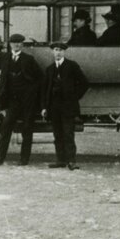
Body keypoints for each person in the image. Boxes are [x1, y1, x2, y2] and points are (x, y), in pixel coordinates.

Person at [0, 33, 44, 166]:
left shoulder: (29, 59)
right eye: (14, 43)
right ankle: (0, 158)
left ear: (22, 44)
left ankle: (24, 160)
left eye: (19, 43)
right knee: (6, 127)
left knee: (27, 129)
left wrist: (33, 92)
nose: (17, 45)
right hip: (12, 100)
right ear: (10, 44)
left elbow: (40, 77)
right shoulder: (4, 58)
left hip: (28, 100)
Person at [42, 41, 90, 170]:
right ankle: (60, 160)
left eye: (61, 50)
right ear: (53, 52)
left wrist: (74, 97)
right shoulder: (50, 69)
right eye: (56, 50)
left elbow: (84, 83)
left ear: (64, 52)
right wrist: (45, 107)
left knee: (68, 133)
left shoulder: (72, 66)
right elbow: (45, 89)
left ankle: (72, 161)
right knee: (57, 134)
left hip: (68, 107)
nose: (58, 52)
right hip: (54, 108)